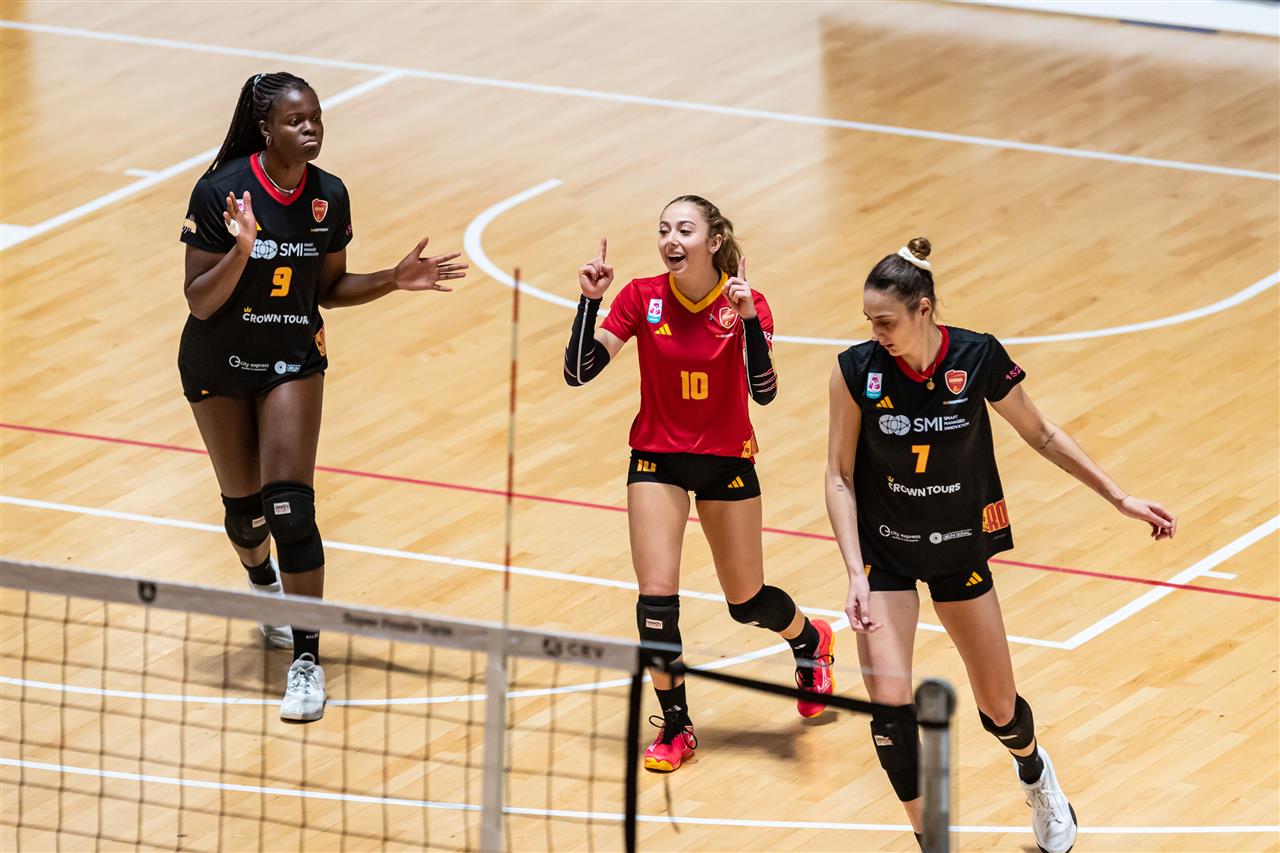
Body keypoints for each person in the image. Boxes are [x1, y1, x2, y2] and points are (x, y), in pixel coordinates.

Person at [825, 237, 1177, 851]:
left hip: (959, 547)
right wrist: (855, 572)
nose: (876, 333)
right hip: (886, 553)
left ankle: (1035, 772)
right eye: (869, 321)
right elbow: (838, 476)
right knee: (889, 713)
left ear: (923, 310)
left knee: (999, 707)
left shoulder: (976, 356)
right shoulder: (856, 371)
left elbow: (1042, 434)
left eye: (886, 321)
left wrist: (1118, 497)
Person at [178, 71, 467, 722]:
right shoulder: (222, 191)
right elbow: (198, 300)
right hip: (218, 363)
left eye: (315, 117)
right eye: (295, 120)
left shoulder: (329, 195)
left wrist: (393, 278)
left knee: (290, 509)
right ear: (266, 128)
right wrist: (243, 248)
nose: (310, 128)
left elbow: (327, 288)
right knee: (246, 516)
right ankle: (263, 583)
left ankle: (307, 660)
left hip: (291, 361)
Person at [564, 195, 835, 773]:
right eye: (664, 229)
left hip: (725, 461)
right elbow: (579, 372)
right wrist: (589, 302)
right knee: (655, 605)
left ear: (713, 242)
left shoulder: (745, 303)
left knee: (747, 603)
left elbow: (764, 392)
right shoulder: (640, 296)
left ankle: (809, 640)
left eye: (685, 230)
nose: (671, 239)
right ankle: (677, 727)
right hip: (656, 459)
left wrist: (751, 320)